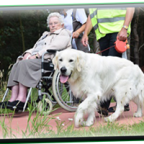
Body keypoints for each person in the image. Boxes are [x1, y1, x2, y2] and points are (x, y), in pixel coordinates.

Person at [0, 12, 71, 110]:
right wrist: (28, 53)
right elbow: (35, 47)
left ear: (61, 24)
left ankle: (22, 99)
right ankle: (13, 98)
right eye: (51, 24)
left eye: (55, 23)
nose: (53, 25)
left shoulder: (64, 33)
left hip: (48, 61)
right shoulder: (45, 35)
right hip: (37, 60)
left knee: (23, 65)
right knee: (17, 65)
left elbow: (54, 46)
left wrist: (37, 55)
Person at [82, 7, 135, 116]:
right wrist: (85, 33)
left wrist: (124, 28)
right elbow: (92, 15)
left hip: (118, 32)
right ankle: (116, 102)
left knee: (110, 69)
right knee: (106, 70)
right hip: (102, 34)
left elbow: (131, 6)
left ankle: (104, 104)